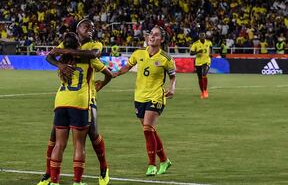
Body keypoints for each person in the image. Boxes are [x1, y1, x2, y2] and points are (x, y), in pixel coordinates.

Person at [38, 19, 112, 185]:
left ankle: (103, 169)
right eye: (86, 26)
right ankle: (48, 174)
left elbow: (93, 54)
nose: (91, 29)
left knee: (93, 134)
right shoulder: (69, 41)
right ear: (77, 29)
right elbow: (50, 57)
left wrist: (64, 51)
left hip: (88, 95)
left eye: (93, 27)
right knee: (55, 136)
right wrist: (60, 65)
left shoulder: (95, 44)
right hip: (73, 97)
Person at [114, 26, 176, 176]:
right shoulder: (138, 54)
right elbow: (126, 68)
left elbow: (173, 76)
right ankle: (165, 160)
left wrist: (172, 88)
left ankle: (151, 165)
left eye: (155, 35)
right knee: (150, 131)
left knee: (147, 129)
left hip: (156, 96)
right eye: (150, 34)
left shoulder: (166, 59)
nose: (152, 37)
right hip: (139, 97)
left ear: (161, 39)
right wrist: (112, 74)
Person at [190, 32, 212, 99]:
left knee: (204, 74)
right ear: (199, 37)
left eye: (203, 36)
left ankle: (205, 91)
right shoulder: (195, 44)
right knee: (200, 78)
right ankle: (202, 92)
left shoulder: (209, 42)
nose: (202, 37)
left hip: (206, 61)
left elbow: (211, 48)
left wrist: (210, 54)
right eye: (201, 36)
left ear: (205, 37)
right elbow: (191, 53)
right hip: (198, 62)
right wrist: (197, 52)